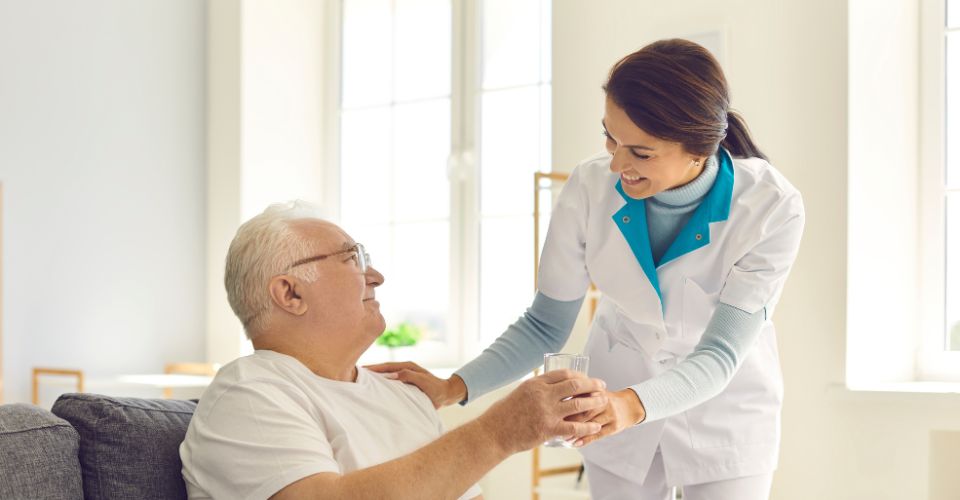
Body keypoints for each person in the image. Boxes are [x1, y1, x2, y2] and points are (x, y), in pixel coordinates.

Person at [369, 38, 805, 500]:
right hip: (613, 396)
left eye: (641, 153)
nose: (617, 164)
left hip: (724, 414)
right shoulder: (590, 186)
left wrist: (629, 405)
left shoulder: (770, 207)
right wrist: (453, 386)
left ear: (699, 149)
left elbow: (718, 354)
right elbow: (544, 325)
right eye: (610, 138)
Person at [178, 201, 608, 500]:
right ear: (290, 293)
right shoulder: (250, 393)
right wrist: (500, 430)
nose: (376, 276)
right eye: (352, 259)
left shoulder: (402, 395)